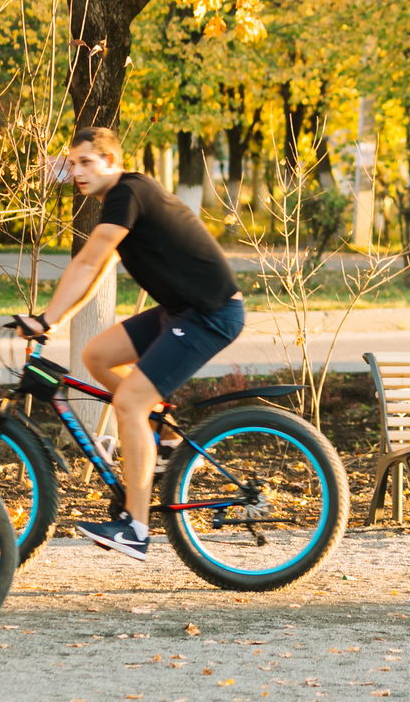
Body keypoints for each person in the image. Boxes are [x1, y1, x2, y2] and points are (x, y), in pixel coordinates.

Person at [15, 126, 246, 561]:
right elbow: (97, 269)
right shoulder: (119, 201)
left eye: (87, 162)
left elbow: (87, 261)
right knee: (97, 355)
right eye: (72, 162)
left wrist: (46, 319)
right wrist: (56, 319)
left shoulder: (129, 192)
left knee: (130, 405)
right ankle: (163, 442)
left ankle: (135, 528)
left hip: (210, 313)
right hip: (181, 310)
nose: (78, 171)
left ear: (111, 162)